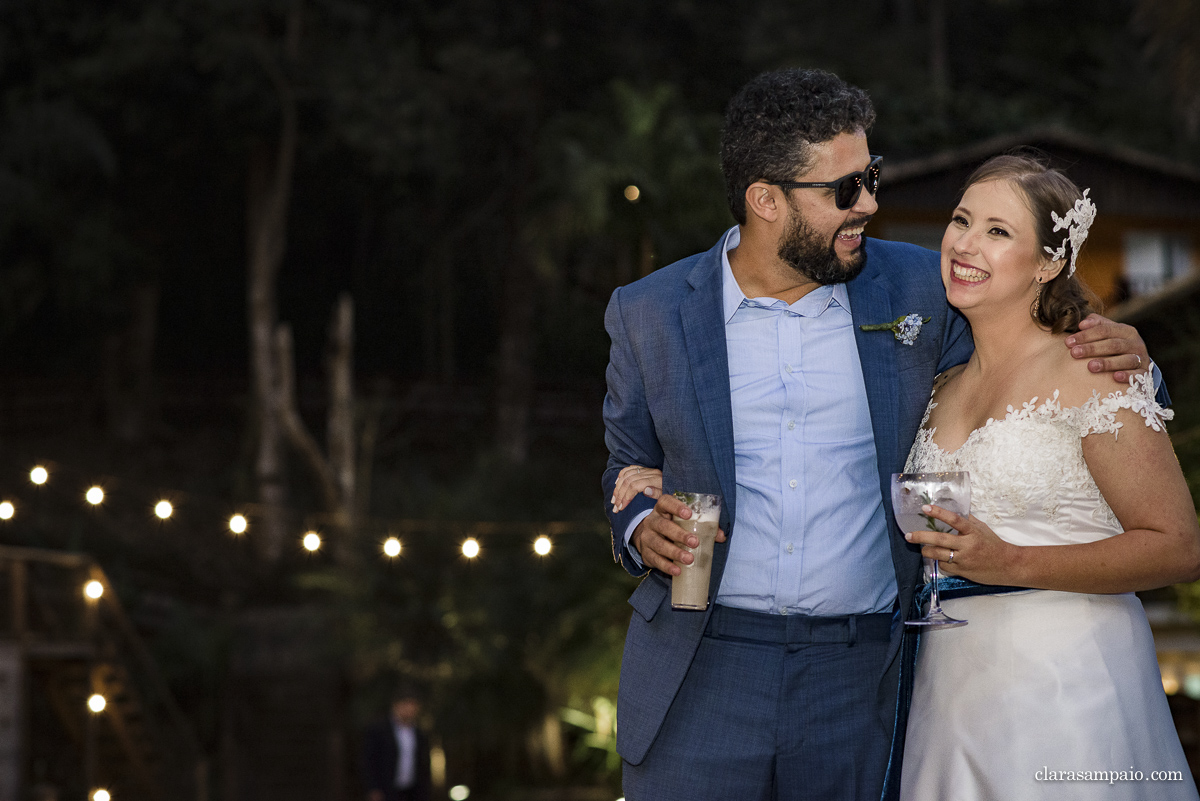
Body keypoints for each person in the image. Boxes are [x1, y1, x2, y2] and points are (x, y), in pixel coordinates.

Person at [601, 68, 1153, 801]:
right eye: (844, 190)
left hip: (860, 679)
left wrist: (1129, 352)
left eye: (872, 176)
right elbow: (626, 463)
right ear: (765, 199)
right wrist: (640, 524)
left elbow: (1045, 364)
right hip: (702, 672)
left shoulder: (922, 286)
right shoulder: (650, 311)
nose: (870, 203)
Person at [897, 155, 1200, 799]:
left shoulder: (1094, 368)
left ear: (1048, 264)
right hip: (949, 685)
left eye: (998, 231)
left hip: (1067, 679)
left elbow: (1179, 546)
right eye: (960, 220)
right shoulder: (938, 387)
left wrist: (1009, 561)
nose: (965, 242)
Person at [361, 688, 433, 801]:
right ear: (396, 705)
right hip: (387, 790)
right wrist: (373, 788)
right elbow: (369, 760)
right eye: (406, 704)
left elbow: (423, 763)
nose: (410, 709)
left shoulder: (419, 733)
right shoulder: (379, 730)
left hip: (412, 790)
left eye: (413, 705)